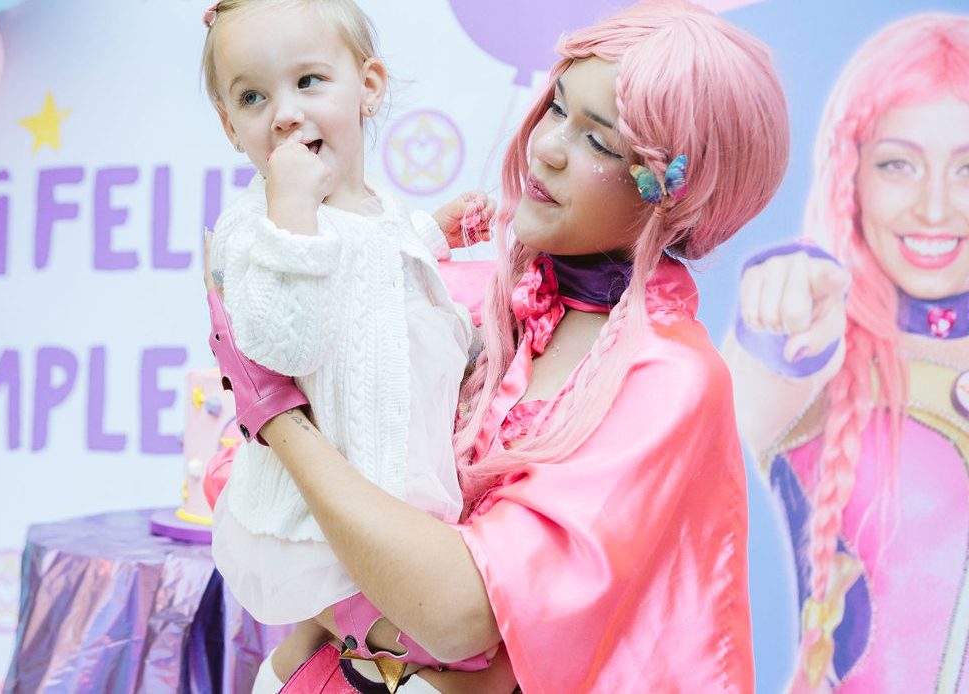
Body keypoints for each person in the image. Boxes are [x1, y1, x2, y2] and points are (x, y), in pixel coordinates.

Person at [206, 0, 789, 690]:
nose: (547, 147)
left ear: (677, 195)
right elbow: (243, 484)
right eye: (557, 107)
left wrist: (276, 414)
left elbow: (459, 615)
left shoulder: (665, 377)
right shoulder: (471, 289)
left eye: (600, 143)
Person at [198, 0, 496, 688]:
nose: (284, 114)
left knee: (400, 631)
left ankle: (301, 663)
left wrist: (432, 234)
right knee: (454, 656)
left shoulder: (378, 208)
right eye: (252, 97)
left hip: (394, 494)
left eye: (308, 82)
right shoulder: (256, 230)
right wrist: (291, 210)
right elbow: (287, 344)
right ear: (229, 125)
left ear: (368, 86)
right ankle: (292, 670)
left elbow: (371, 272)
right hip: (319, 524)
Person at [723, 14, 969, 692]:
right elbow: (738, 403)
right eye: (898, 164)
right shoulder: (814, 343)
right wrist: (780, 316)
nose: (934, 208)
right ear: (850, 174)